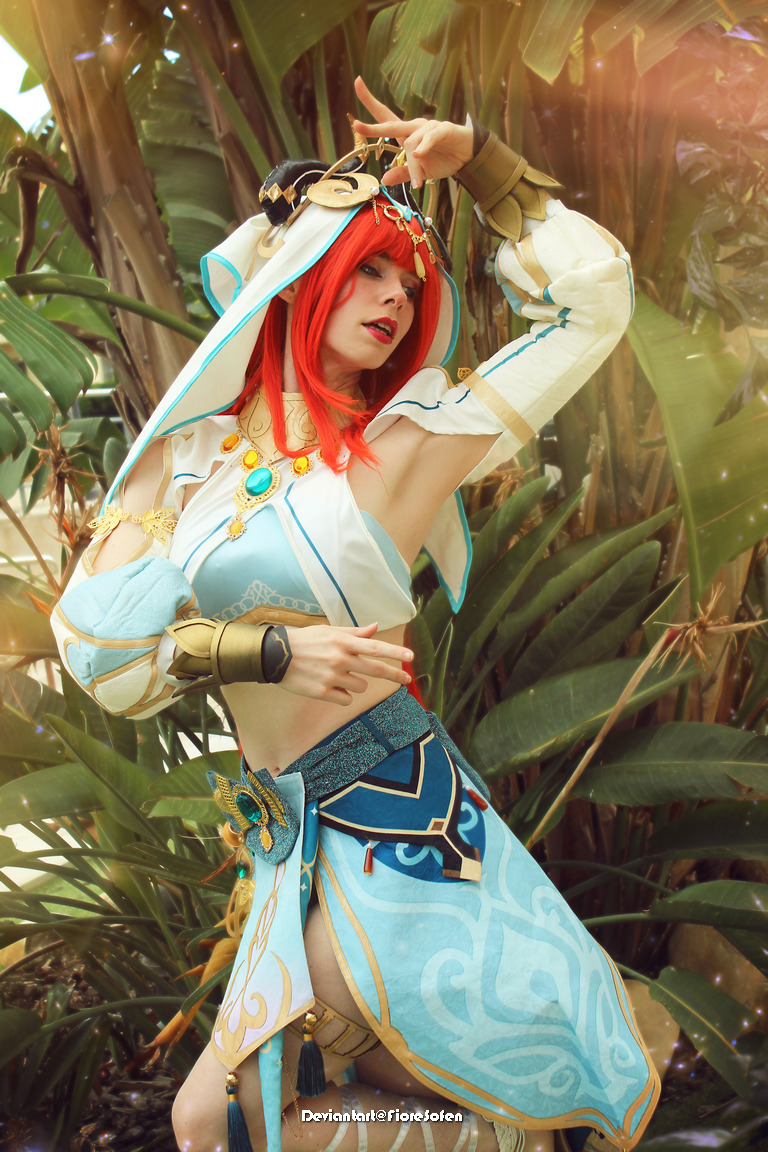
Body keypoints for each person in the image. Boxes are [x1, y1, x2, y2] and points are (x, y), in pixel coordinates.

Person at [51, 79, 657, 1152]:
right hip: (288, 847)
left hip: (397, 826)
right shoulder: (195, 460)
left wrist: (485, 167)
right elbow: (103, 657)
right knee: (305, 1112)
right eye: (367, 268)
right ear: (299, 277)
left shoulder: (408, 445)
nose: (393, 298)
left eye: (407, 281)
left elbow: (591, 308)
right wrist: (267, 649)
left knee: (217, 1121)